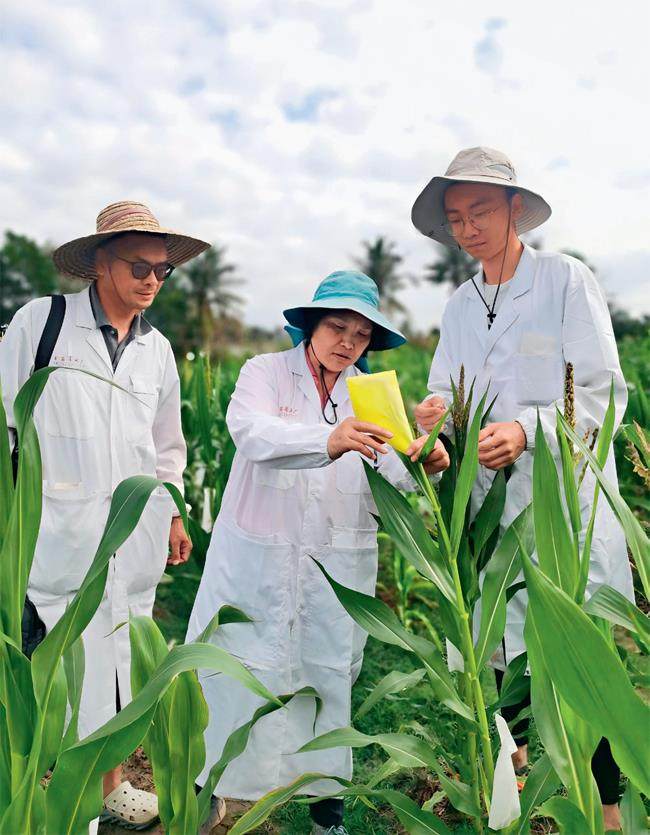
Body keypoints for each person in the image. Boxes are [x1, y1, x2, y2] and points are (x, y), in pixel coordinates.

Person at [410, 147, 633, 831]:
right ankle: (525, 789)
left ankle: (608, 811)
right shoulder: (458, 305)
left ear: (515, 209)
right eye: (455, 218)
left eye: (479, 211)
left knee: (582, 659)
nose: (467, 228)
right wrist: (434, 421)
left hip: (562, 505)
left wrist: (527, 430)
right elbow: (445, 390)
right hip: (491, 511)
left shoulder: (564, 280)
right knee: (505, 650)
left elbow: (600, 391)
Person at [186, 270, 449, 835]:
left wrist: (427, 456)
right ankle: (209, 798)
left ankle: (327, 815)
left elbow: (396, 475)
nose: (348, 342)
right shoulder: (264, 373)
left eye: (361, 334)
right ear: (311, 325)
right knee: (235, 678)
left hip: (335, 565)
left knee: (325, 682)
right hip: (258, 564)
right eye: (337, 327)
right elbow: (251, 433)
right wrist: (326, 440)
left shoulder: (372, 394)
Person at [0, 201, 209, 831]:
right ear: (99, 263)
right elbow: (7, 419)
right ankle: (59, 805)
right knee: (58, 672)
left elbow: (166, 448)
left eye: (162, 270)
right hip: (55, 534)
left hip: (132, 536)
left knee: (118, 672)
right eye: (138, 267)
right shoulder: (43, 324)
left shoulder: (158, 350)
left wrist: (174, 513)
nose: (151, 281)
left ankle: (110, 789)